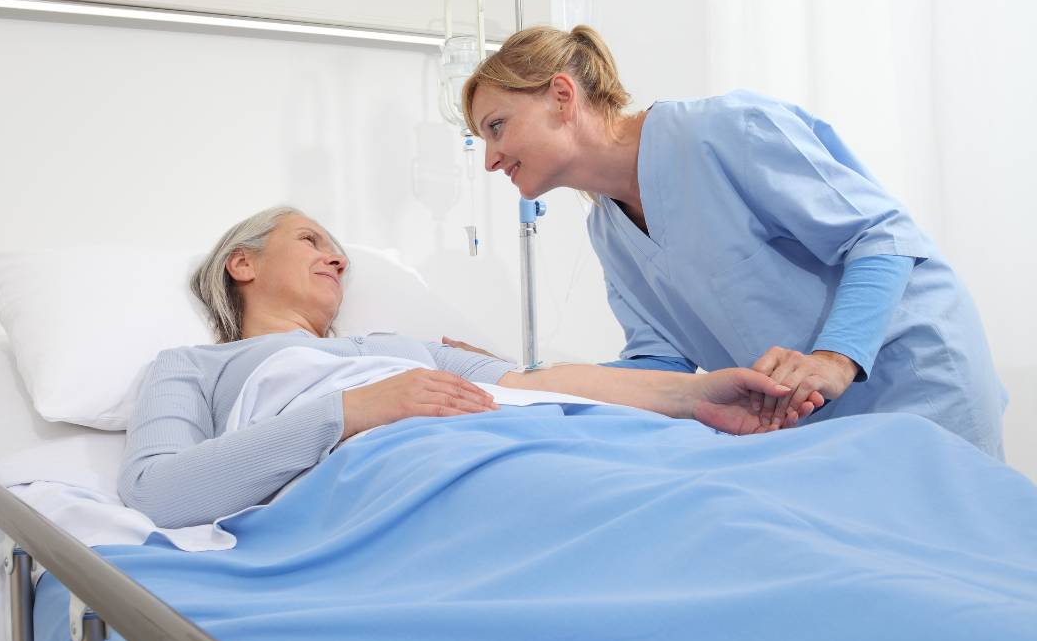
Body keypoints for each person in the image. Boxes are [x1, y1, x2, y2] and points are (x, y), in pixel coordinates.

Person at [462, 25, 1006, 458]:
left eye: (496, 126)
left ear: (562, 96)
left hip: (909, 371)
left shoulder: (723, 132)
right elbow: (661, 364)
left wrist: (835, 358)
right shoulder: (607, 229)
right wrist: (522, 381)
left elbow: (881, 235)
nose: (490, 159)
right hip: (806, 413)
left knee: (961, 551)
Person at [119, 206, 820, 528]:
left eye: (341, 253)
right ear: (242, 263)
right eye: (311, 240)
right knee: (675, 519)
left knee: (734, 493)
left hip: (521, 436)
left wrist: (697, 395)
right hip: (401, 470)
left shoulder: (401, 347)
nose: (336, 258)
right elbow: (158, 495)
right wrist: (354, 410)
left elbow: (535, 385)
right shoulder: (192, 366)